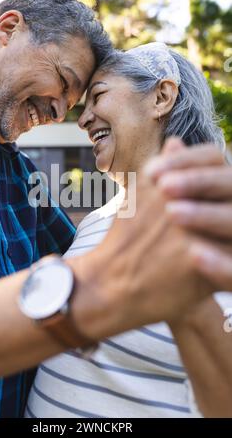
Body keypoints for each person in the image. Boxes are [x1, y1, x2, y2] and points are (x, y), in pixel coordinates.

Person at [0, 0, 231, 418]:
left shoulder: (22, 179)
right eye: (66, 86)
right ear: (9, 28)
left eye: (79, 103)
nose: (61, 116)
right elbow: (101, 280)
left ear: (163, 98)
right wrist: (91, 293)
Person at [26, 43, 232, 418]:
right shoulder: (94, 220)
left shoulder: (216, 221)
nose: (84, 119)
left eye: (99, 95)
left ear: (161, 97)